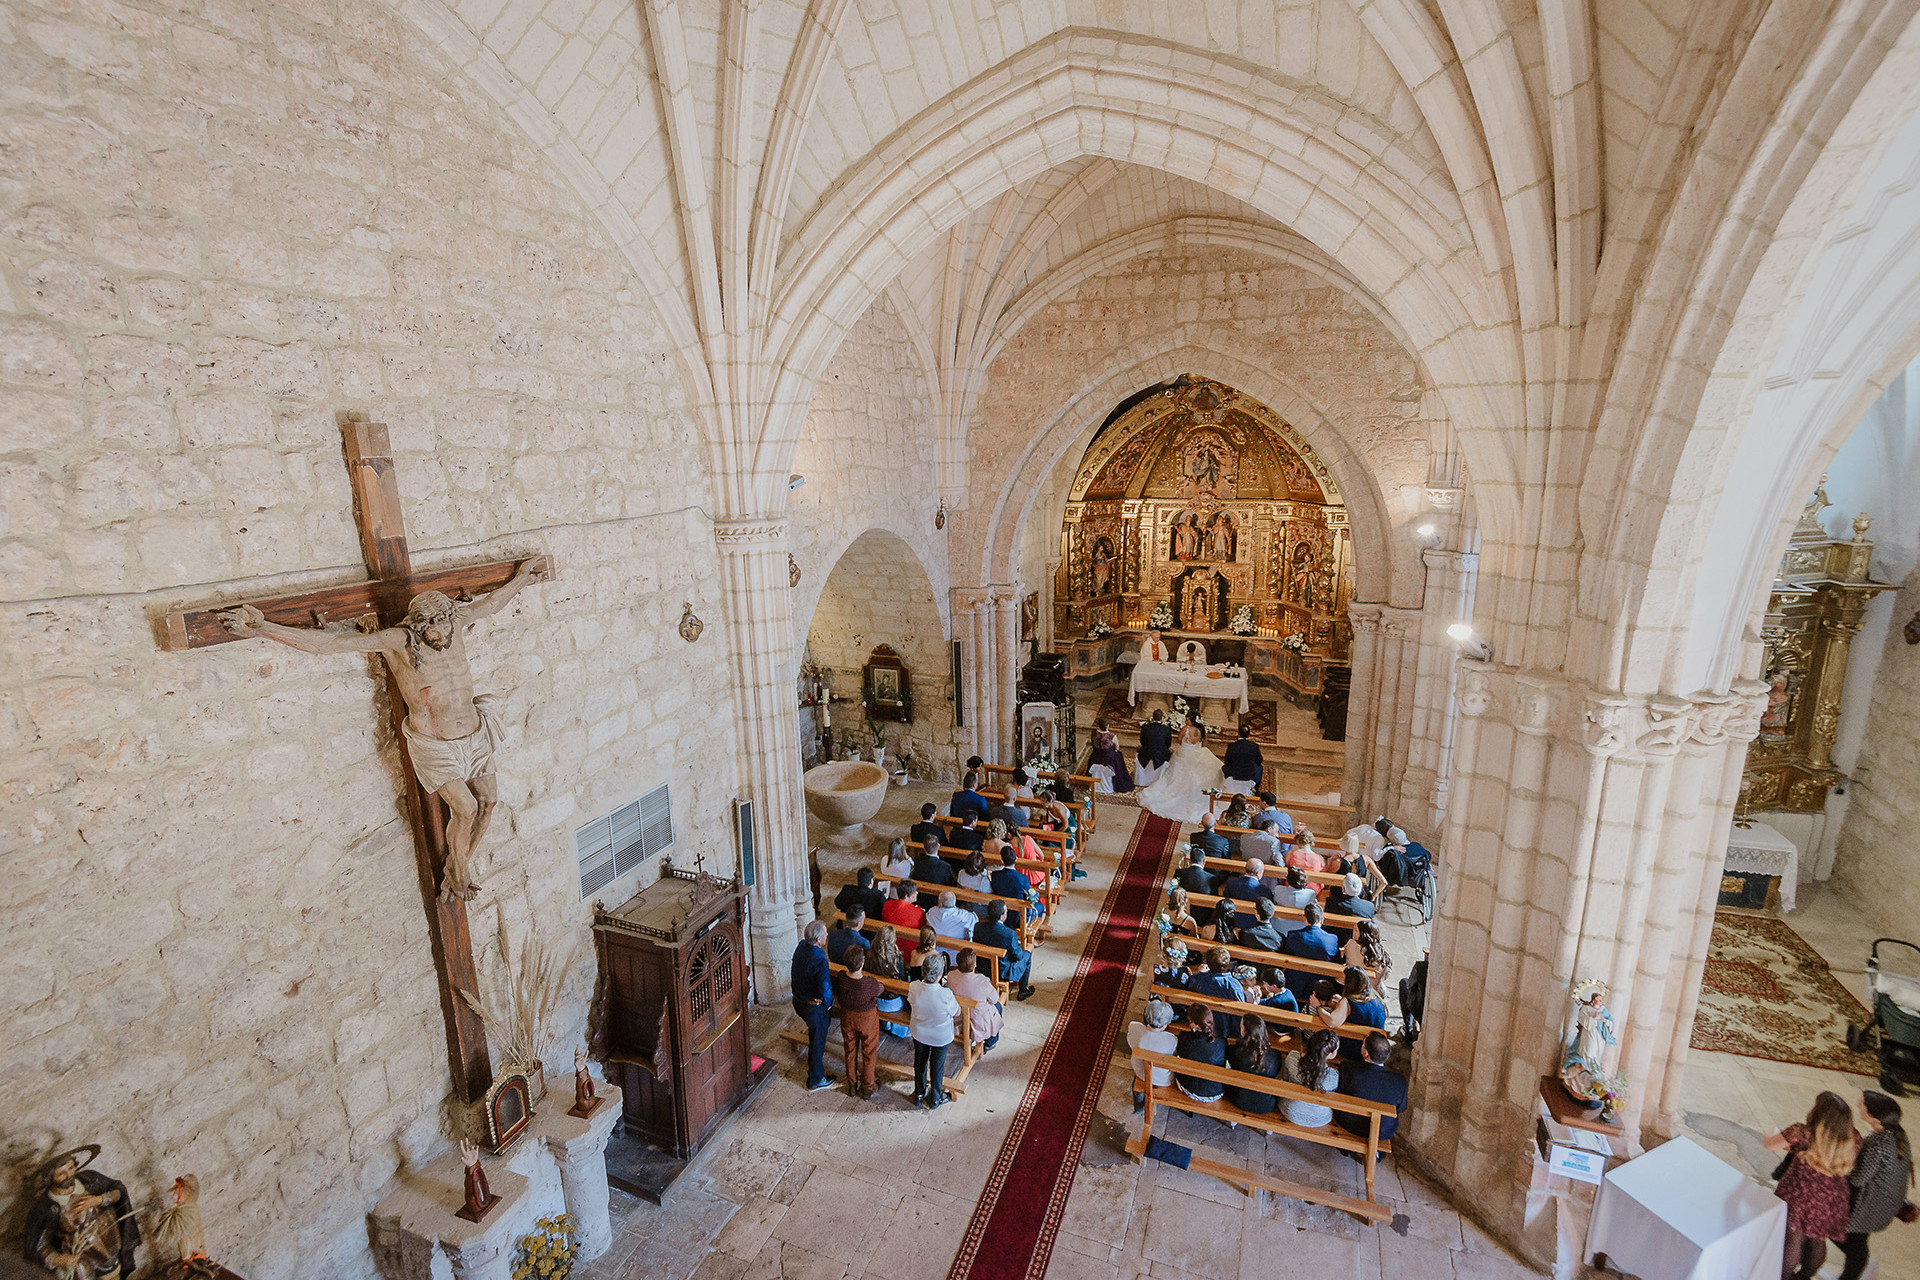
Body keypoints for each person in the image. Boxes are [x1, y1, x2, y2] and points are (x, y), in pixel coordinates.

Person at [1764, 1091, 1861, 1280]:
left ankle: (1784, 1276)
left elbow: (1770, 1144)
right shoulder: (1854, 1138)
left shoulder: (1803, 1132)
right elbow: (1830, 1152)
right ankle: (1806, 1275)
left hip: (1800, 1193)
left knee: (1792, 1239)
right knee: (1817, 1240)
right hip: (1831, 1196)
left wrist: (1772, 1132)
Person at [1838, 1091, 1914, 1280]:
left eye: (1862, 1104)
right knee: (1857, 1240)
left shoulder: (1876, 1144)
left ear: (1873, 1116)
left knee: (1833, 1228)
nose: (1857, 1105)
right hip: (1886, 1202)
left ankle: (1851, 1274)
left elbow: (1857, 1179)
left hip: (1868, 1206)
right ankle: (1854, 1268)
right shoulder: (1899, 1135)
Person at [1137, 718, 1227, 825]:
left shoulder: (1185, 729)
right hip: (1197, 753)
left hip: (1184, 752)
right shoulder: (1199, 732)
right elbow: (1203, 744)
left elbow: (1179, 741)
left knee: (1176, 774)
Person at [1336, 1031, 1408, 1144]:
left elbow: (1339, 1093)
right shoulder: (1400, 1082)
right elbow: (1401, 1108)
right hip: (1382, 1130)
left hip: (1349, 1123)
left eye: (1363, 1044)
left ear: (1366, 1053)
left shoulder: (1347, 1068)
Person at [908, 952, 960, 1108]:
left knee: (920, 1061)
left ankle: (919, 1092)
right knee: (937, 1065)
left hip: (919, 1032)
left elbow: (911, 1001)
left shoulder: (914, 986)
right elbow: (956, 1012)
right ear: (939, 975)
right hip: (940, 1036)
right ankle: (935, 1098)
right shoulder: (946, 994)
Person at [790, 922, 836, 1092]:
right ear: (818, 939)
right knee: (817, 1041)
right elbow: (824, 987)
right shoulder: (820, 959)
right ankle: (815, 1079)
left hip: (798, 1001)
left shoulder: (801, 946)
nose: (827, 935)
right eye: (825, 933)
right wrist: (830, 1002)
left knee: (815, 1030)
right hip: (812, 1007)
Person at [832, 944, 883, 1099]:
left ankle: (852, 1084)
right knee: (869, 1051)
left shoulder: (841, 977)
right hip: (866, 1019)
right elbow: (880, 989)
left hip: (847, 1016)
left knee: (850, 1049)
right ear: (862, 964)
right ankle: (868, 1086)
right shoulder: (869, 983)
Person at [973, 898, 1035, 1000]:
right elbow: (1018, 955)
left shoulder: (978, 927)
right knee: (1026, 955)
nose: (1007, 913)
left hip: (983, 967)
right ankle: (1023, 990)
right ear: (1002, 916)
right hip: (1002, 972)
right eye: (1006, 911)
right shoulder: (1009, 934)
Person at [1282, 1028, 1341, 1128]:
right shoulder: (1333, 1077)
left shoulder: (1292, 1058)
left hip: (1291, 1110)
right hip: (1321, 1118)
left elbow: (1285, 1078)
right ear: (1330, 1054)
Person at [1225, 1018, 1283, 1115]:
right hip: (1266, 1104)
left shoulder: (1236, 1051)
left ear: (1244, 1032)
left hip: (1240, 1100)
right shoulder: (1275, 1055)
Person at [1128, 997, 1179, 1109]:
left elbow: (1130, 1041)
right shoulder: (1171, 1039)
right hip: (1163, 1079)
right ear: (1165, 1024)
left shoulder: (1134, 1027)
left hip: (1141, 1072)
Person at [1186, 946, 1247, 1037]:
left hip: (1204, 1021)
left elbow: (1191, 986)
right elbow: (1241, 1008)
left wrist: (1199, 973)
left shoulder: (1199, 978)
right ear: (1228, 964)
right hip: (1226, 1027)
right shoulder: (1234, 984)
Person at [950, 949, 1003, 1050]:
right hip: (978, 1022)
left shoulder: (951, 976)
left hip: (958, 1017)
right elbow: (995, 999)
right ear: (975, 965)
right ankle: (990, 1042)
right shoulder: (982, 981)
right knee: (998, 1006)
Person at [1174, 1006, 1228, 1103]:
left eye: (1190, 1020)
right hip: (1215, 1091)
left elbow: (1180, 1055)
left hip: (1191, 1090)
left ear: (1196, 1025)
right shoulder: (1222, 1041)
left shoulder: (1185, 1038)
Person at [869, 925, 910, 1036]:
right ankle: (895, 1029)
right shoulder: (897, 959)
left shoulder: (869, 954)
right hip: (892, 1003)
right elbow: (902, 982)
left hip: (875, 997)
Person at [1338, 966, 1388, 1055]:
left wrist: (1319, 1007)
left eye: (1344, 979)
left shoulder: (1347, 1002)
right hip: (1375, 1047)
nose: (1341, 981)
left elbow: (1332, 1022)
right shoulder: (1376, 998)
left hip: (1354, 1047)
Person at [990, 842, 1042, 922]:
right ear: (1016, 859)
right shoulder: (1023, 879)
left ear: (1002, 861)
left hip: (1000, 914)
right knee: (1040, 906)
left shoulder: (995, 875)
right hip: (1019, 918)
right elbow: (1026, 899)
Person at [1344, 920, 1393, 992]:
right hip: (1372, 990)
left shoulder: (1351, 944)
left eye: (1356, 931)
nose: (1353, 933)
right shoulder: (1381, 956)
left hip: (1352, 986)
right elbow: (1386, 975)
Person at [1088, 717, 1135, 792]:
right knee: (1119, 755)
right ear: (1107, 726)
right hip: (1107, 760)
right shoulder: (1112, 736)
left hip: (1096, 756)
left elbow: (1093, 744)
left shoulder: (1093, 733)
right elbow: (1117, 748)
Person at [926, 890, 976, 955]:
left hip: (935, 953)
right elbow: (975, 919)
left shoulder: (932, 912)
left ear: (940, 903)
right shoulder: (965, 916)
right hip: (959, 954)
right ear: (954, 902)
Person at [1222, 724, 1264, 795]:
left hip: (1234, 773)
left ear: (1238, 734)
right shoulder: (1254, 746)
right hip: (1250, 774)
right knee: (1260, 767)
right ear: (1249, 734)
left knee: (1224, 767)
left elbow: (1227, 761)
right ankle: (1256, 790)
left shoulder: (1231, 746)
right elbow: (1260, 760)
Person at [1137, 708, 1174, 774]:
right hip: (1161, 754)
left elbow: (1142, 742)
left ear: (1153, 717)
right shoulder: (1166, 729)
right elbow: (1168, 744)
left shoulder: (1145, 727)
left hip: (1146, 753)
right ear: (1162, 718)